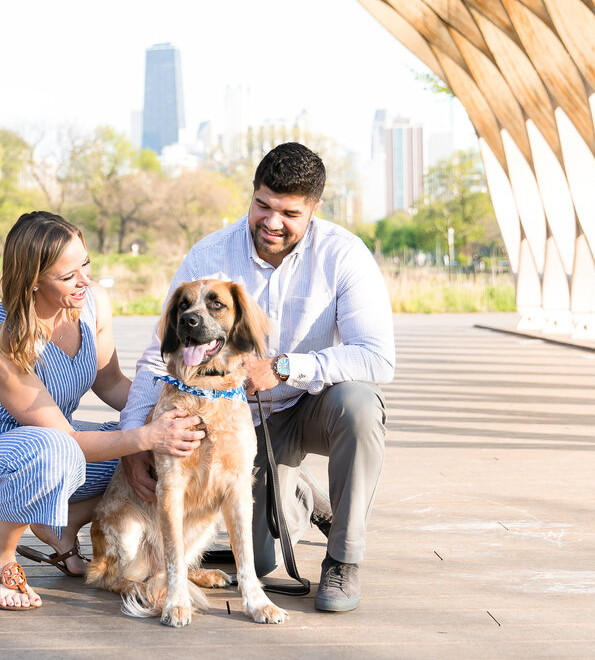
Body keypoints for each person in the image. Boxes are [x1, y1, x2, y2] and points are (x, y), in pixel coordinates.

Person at [119, 142, 395, 613]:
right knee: (263, 560)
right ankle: (303, 493)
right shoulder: (209, 254)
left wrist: (287, 365)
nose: (271, 222)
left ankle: (343, 560)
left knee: (360, 406)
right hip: (239, 422)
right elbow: (157, 355)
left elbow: (377, 359)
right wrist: (134, 440)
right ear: (252, 195)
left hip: (309, 404)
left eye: (288, 212)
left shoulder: (344, 255)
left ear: (313, 209)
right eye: (262, 205)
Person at [0, 211, 206, 611]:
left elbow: (113, 384)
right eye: (69, 275)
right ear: (33, 278)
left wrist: (183, 408)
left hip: (56, 447)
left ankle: (64, 522)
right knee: (66, 449)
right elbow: (65, 440)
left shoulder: (91, 303)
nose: (85, 279)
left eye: (85, 263)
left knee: (140, 442)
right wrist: (145, 436)